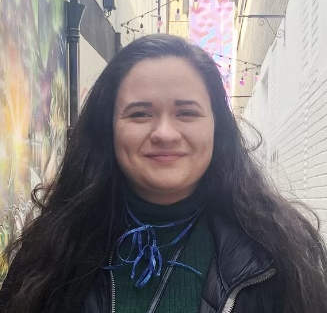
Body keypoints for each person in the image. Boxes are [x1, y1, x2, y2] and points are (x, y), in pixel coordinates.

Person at [1, 34, 327, 313]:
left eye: (187, 112)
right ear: (108, 129)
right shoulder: (50, 251)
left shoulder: (278, 258)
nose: (165, 133)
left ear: (218, 128)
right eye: (140, 113)